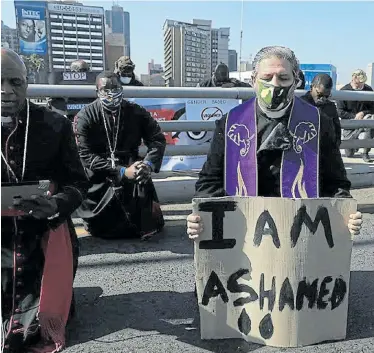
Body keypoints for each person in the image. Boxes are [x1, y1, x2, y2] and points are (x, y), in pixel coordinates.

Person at [186, 46, 363, 240]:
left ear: (296, 81)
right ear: (254, 81)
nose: (274, 85)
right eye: (267, 77)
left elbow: (335, 182)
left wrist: (346, 211)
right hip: (245, 235)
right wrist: (201, 213)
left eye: (283, 78)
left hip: (301, 233)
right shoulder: (230, 123)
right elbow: (210, 180)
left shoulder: (319, 123)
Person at [1, 49, 89, 353]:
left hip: (41, 233)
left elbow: (77, 181)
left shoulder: (54, 123)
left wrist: (57, 205)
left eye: (15, 82)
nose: (7, 91)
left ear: (27, 82)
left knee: (34, 328)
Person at [74, 71, 166, 240]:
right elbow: (84, 155)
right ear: (97, 92)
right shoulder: (84, 116)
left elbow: (157, 139)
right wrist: (121, 171)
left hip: (132, 166)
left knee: (140, 176)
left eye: (115, 88)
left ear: (122, 88)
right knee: (103, 230)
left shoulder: (136, 112)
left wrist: (148, 164)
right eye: (105, 89)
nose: (111, 93)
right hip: (99, 173)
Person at [337, 69, 374, 162]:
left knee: (370, 122)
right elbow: (340, 111)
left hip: (365, 119)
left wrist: (363, 113)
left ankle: (365, 152)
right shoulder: (344, 91)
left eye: (363, 82)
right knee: (349, 154)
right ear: (354, 78)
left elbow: (373, 108)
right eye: (359, 82)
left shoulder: (368, 89)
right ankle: (355, 145)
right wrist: (354, 116)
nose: (361, 84)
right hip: (350, 123)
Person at [301, 73, 341, 145]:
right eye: (320, 94)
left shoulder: (331, 106)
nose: (323, 99)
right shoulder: (301, 103)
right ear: (312, 87)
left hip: (327, 149)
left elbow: (337, 131)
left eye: (327, 96)